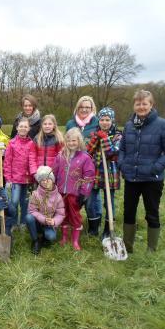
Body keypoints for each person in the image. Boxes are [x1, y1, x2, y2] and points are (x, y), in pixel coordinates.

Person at [119, 90, 165, 252]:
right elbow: (122, 149)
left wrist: (155, 168)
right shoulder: (129, 125)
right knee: (128, 212)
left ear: (151, 105)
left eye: (145, 103)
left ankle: (151, 249)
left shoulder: (163, 125)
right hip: (131, 177)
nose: (141, 107)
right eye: (138, 104)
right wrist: (122, 164)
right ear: (134, 105)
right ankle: (128, 247)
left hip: (152, 179)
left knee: (152, 213)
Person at [52, 128, 95, 251]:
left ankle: (75, 240)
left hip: (74, 193)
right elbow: (54, 172)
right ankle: (65, 237)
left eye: (74, 141)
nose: (71, 143)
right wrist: (52, 186)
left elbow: (89, 176)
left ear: (79, 141)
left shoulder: (85, 157)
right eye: (69, 141)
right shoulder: (61, 156)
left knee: (75, 215)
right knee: (63, 214)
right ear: (66, 141)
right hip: (61, 192)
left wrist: (84, 193)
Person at [65, 95, 100, 236]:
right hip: (74, 166)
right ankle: (73, 223)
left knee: (91, 198)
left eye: (88, 107)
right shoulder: (70, 123)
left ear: (92, 109)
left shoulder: (96, 123)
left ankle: (93, 227)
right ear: (77, 108)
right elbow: (67, 142)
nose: (84, 109)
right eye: (82, 107)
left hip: (91, 166)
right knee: (74, 197)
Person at [86, 107, 122, 239]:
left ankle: (108, 230)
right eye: (102, 119)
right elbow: (88, 152)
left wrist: (105, 138)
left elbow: (112, 153)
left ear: (112, 121)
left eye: (108, 120)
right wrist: (96, 139)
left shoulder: (118, 136)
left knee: (109, 202)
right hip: (95, 172)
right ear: (98, 120)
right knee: (90, 201)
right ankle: (93, 228)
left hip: (110, 173)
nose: (105, 122)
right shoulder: (94, 134)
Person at [4, 118, 35, 229]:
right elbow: (7, 162)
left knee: (25, 202)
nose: (23, 128)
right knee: (14, 201)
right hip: (15, 179)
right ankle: (13, 222)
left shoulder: (31, 143)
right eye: (21, 126)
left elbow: (32, 160)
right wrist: (8, 179)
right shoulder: (11, 143)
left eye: (25, 127)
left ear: (29, 129)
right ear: (17, 128)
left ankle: (23, 222)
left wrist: (33, 177)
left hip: (27, 179)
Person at [26, 166, 65, 255]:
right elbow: (32, 211)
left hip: (49, 224)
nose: (45, 181)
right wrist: (43, 219)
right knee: (28, 217)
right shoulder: (35, 194)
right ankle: (35, 240)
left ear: (52, 180)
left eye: (48, 179)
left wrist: (54, 221)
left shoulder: (58, 196)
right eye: (42, 180)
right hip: (38, 222)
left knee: (51, 237)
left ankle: (43, 238)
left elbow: (60, 214)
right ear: (39, 182)